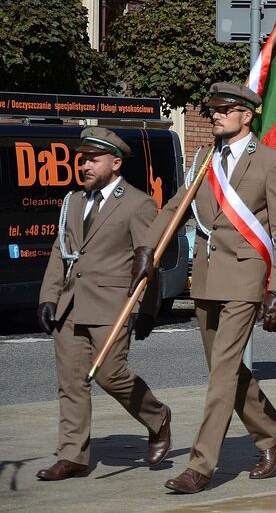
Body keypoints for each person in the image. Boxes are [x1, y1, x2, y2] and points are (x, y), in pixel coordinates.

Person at [129, 82, 276, 493]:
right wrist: (147, 248)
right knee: (226, 372)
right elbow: (175, 207)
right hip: (205, 276)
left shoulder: (270, 162)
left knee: (221, 373)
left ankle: (202, 465)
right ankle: (273, 433)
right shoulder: (206, 158)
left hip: (244, 277)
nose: (215, 116)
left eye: (224, 109)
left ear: (248, 115)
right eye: (212, 111)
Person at [35, 127, 172, 480]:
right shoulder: (74, 201)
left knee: (112, 375)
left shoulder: (138, 203)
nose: (84, 166)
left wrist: (148, 309)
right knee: (71, 382)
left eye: (92, 160)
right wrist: (48, 298)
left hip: (113, 305)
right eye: (82, 160)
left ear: (115, 162)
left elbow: (148, 260)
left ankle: (157, 417)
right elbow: (59, 253)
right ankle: (73, 455)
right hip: (70, 305)